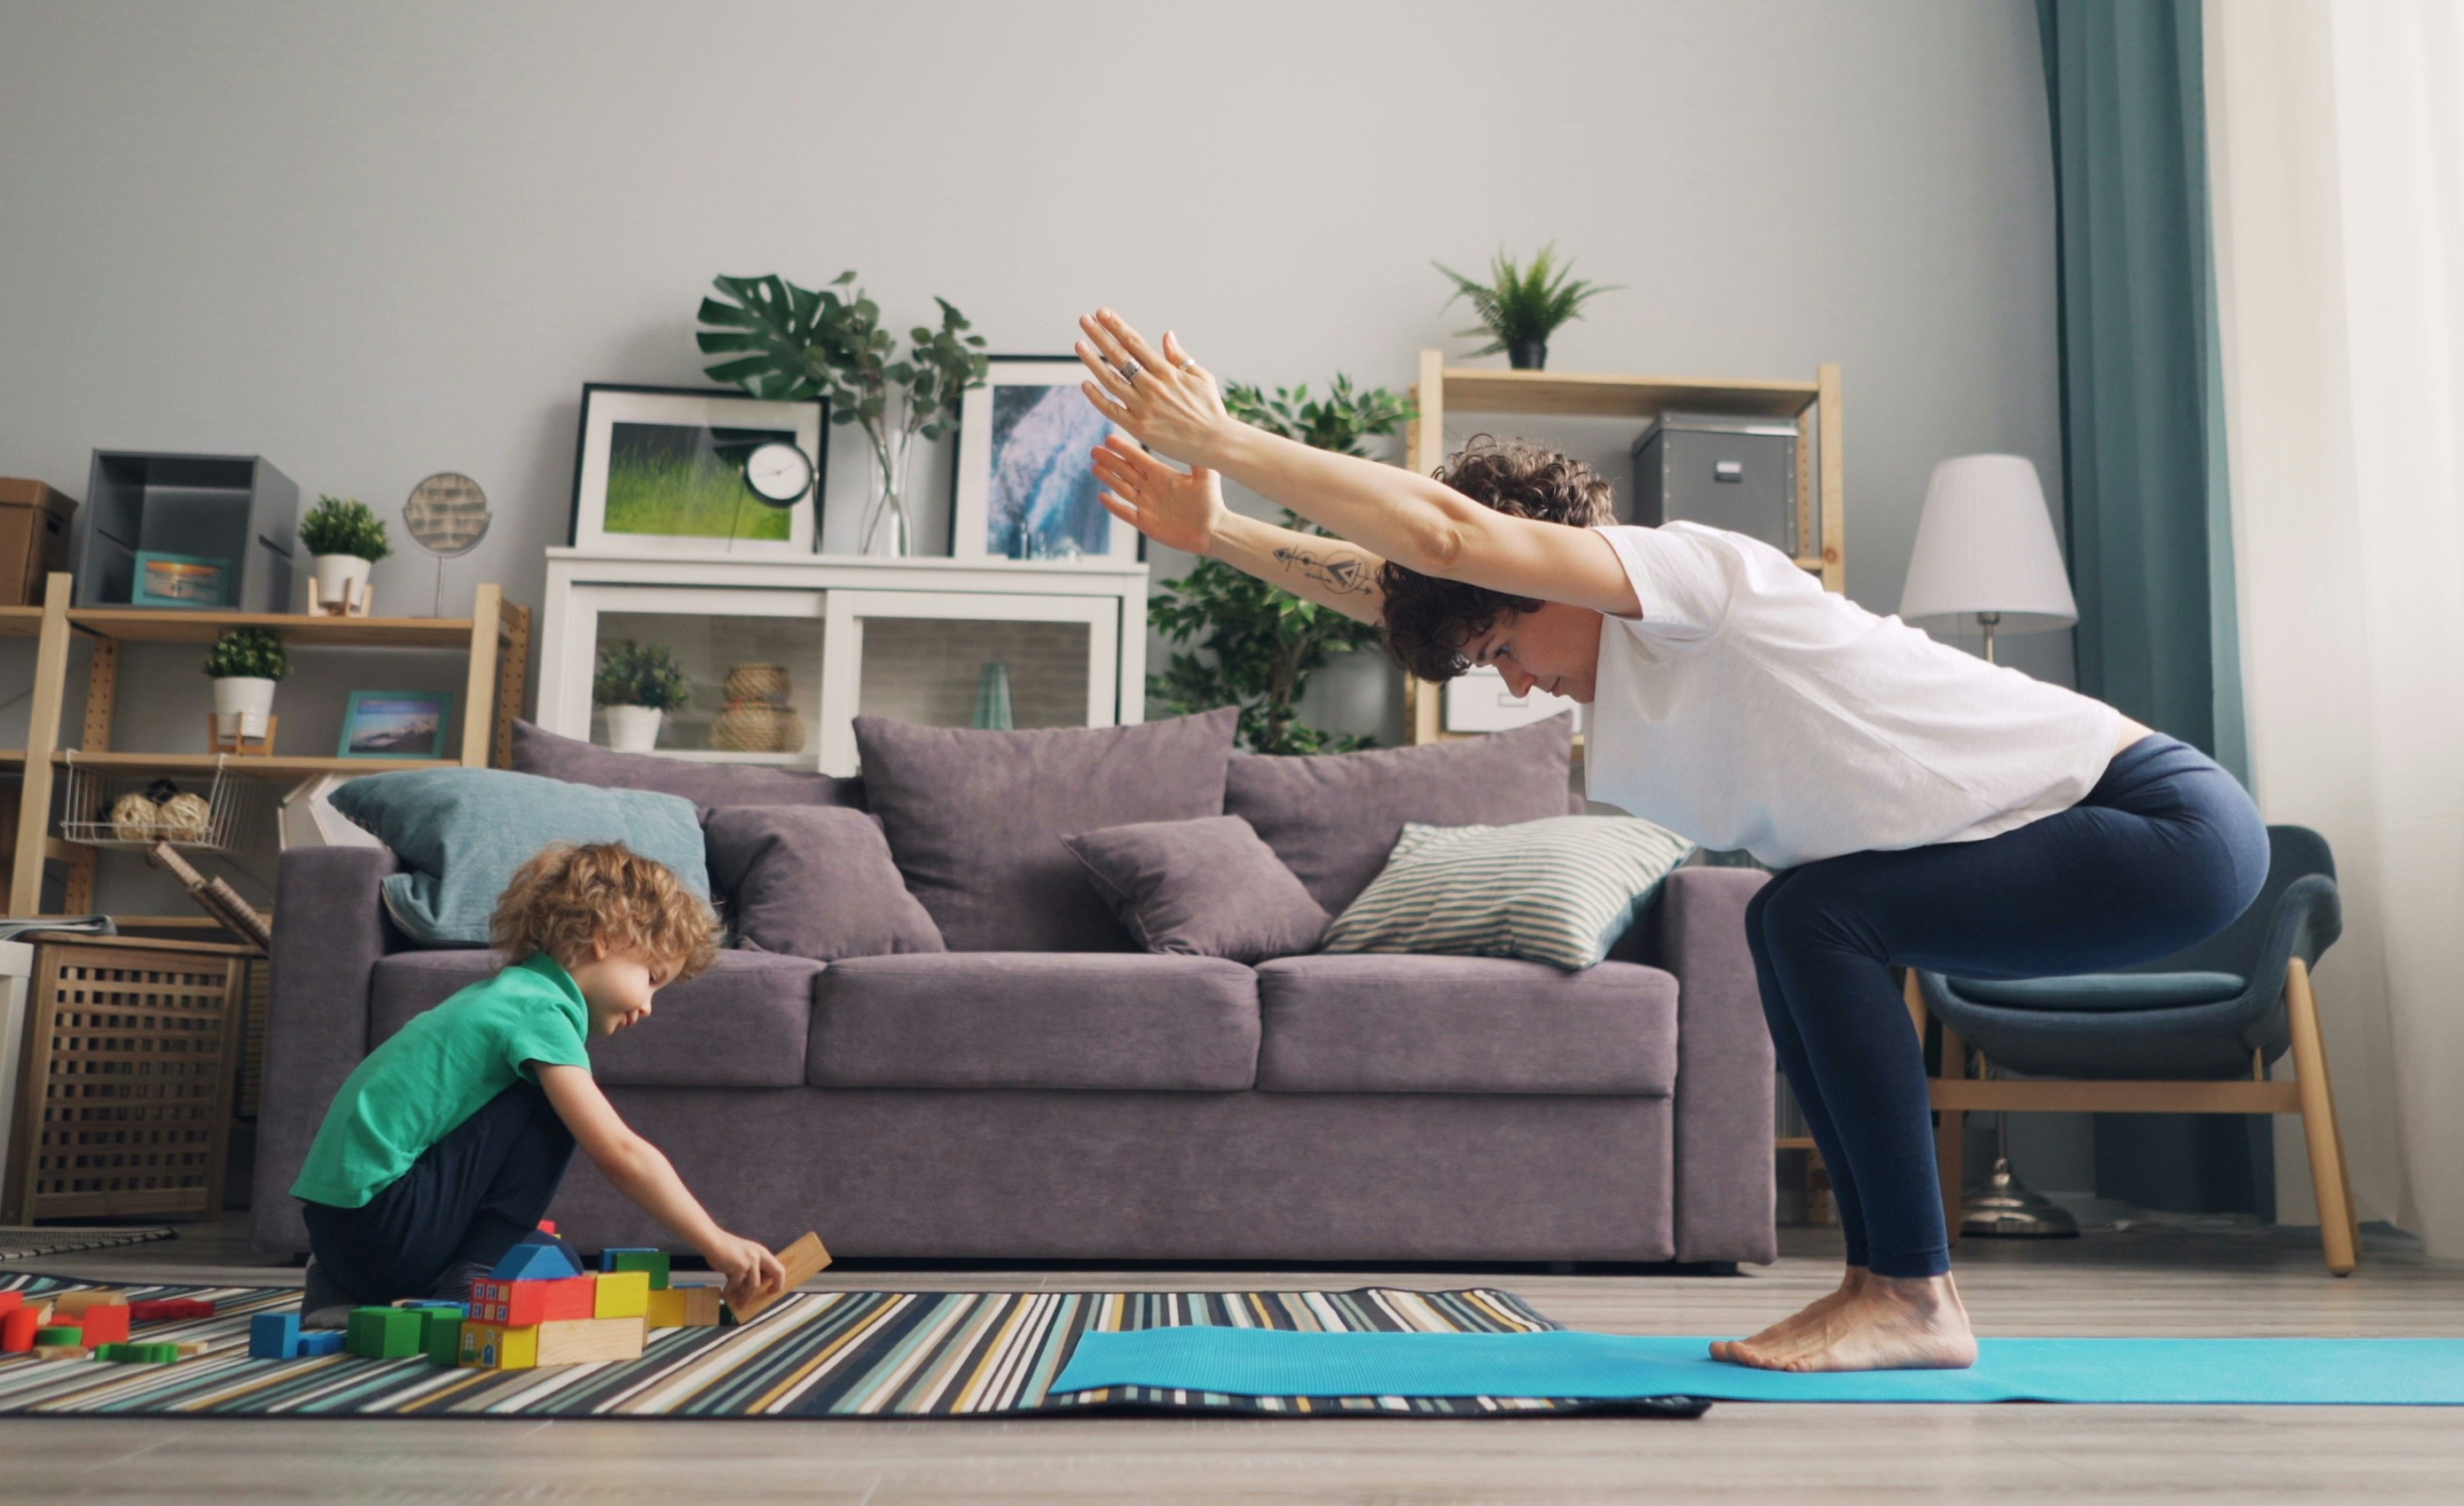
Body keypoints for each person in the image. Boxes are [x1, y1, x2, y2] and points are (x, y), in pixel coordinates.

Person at [1071, 308, 2264, 1372]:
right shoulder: (1630, 662)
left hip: (2156, 822)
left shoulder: (1697, 578)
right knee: (1800, 919)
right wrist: (1221, 532)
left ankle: (1910, 1290)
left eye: (1504, 652)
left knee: (1817, 917)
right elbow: (1402, 576)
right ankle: (1884, 1286)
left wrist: (1226, 441)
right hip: (2106, 832)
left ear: (1549, 574)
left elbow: (1442, 536)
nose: (1521, 685)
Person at [290, 841, 789, 1324]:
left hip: (339, 1236)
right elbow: (620, 1152)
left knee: (556, 1259)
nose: (648, 1005)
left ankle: (338, 1287)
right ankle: (471, 1277)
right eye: (652, 976)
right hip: (387, 1230)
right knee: (554, 1100)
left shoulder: (504, 997)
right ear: (609, 936)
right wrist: (716, 1242)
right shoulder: (539, 1013)